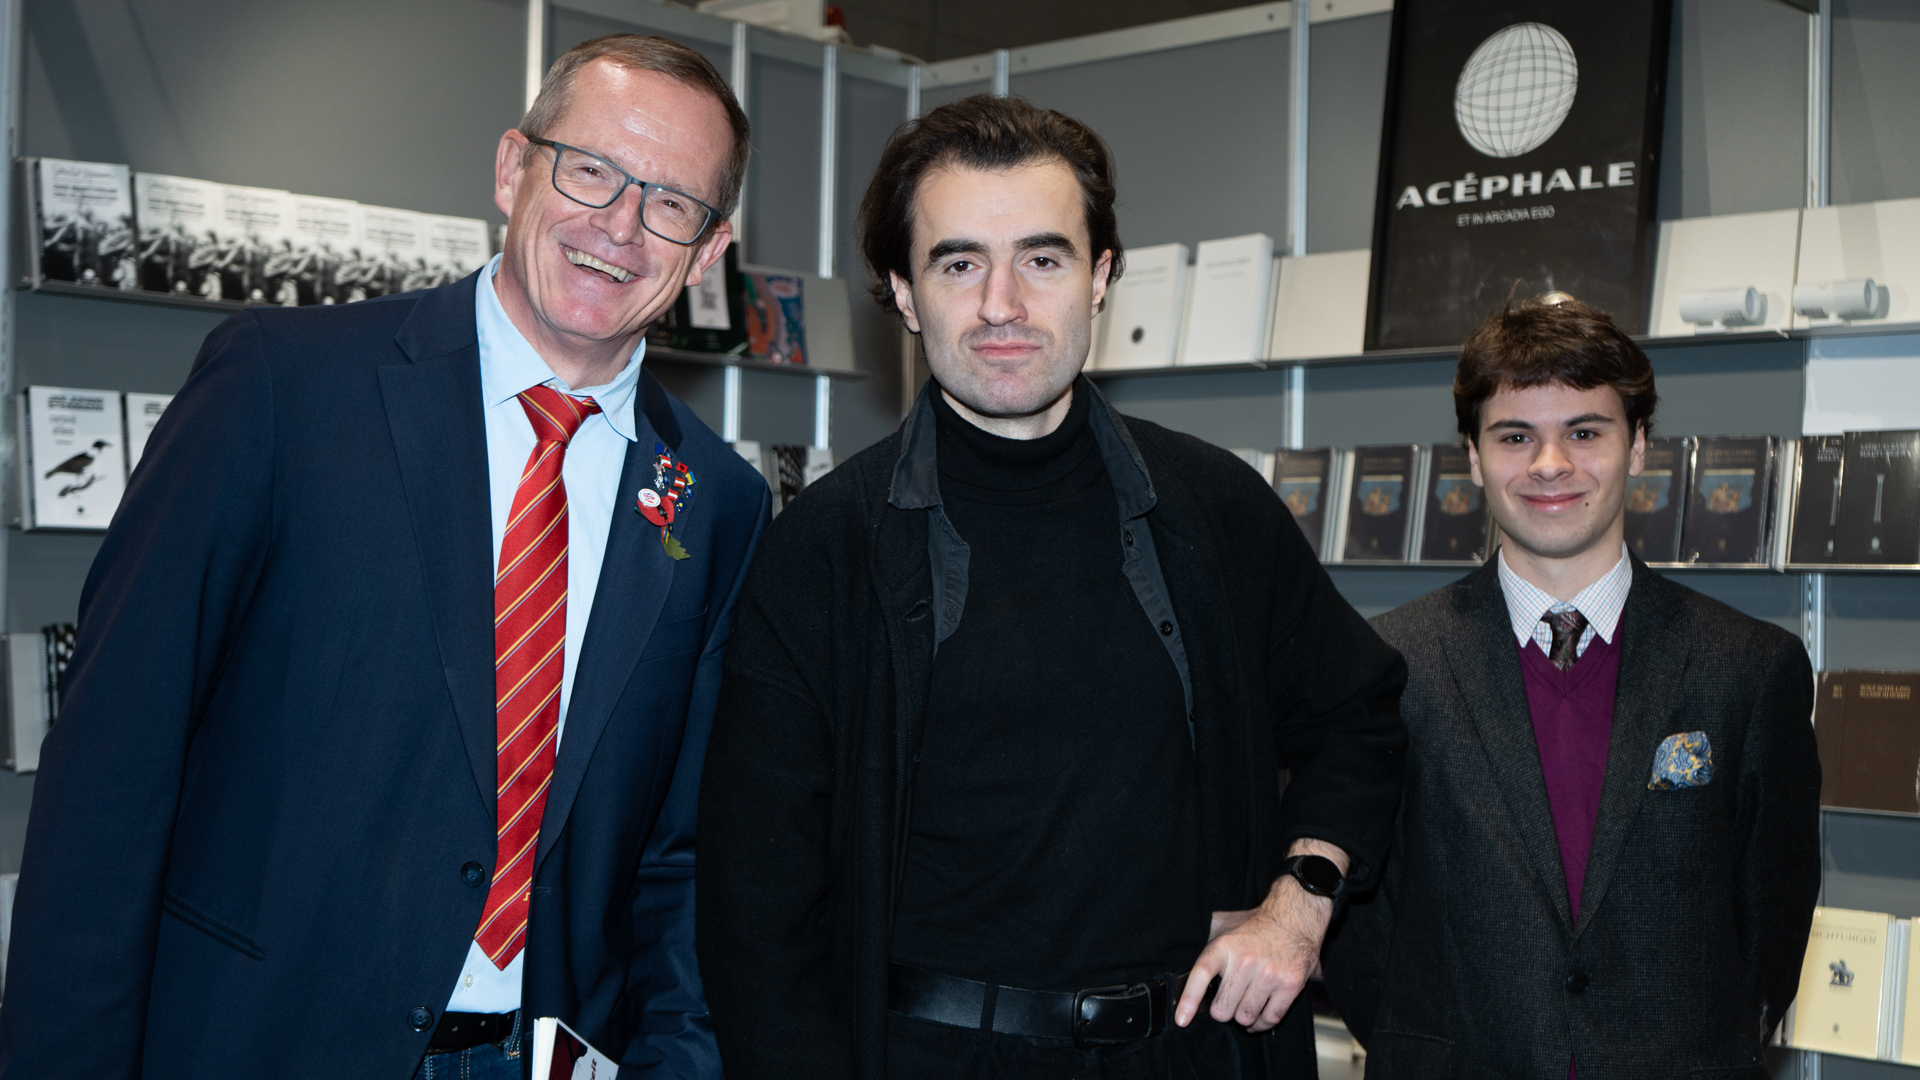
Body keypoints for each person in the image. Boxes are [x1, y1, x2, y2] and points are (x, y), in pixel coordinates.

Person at [0, 34, 767, 1079]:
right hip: (262, 1040)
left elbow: (679, 854)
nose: (621, 226)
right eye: (590, 170)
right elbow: (113, 763)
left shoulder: (717, 503)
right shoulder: (283, 389)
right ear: (512, 168)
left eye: (672, 202)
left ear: (710, 250)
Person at [696, 94, 1408, 1079]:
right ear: (905, 292)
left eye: (1043, 258)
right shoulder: (823, 551)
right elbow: (756, 910)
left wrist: (1300, 901)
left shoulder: (1214, 509)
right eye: (959, 264)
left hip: (1191, 1059)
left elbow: (1356, 716)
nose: (1002, 303)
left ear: (1101, 277)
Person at [1322, 297, 1821, 1078]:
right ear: (1472, 456)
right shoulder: (1385, 665)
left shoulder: (1749, 669)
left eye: (1585, 432)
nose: (1550, 464)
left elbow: (1772, 922)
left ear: (1639, 445)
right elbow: (1360, 930)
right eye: (1515, 436)